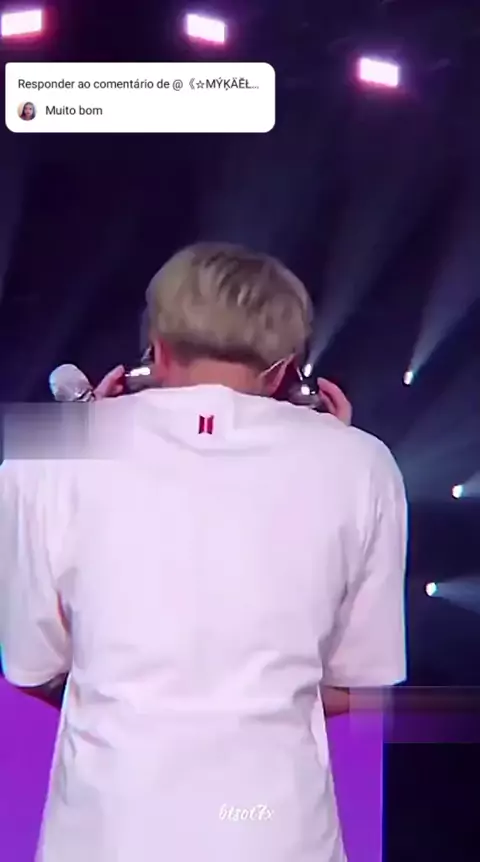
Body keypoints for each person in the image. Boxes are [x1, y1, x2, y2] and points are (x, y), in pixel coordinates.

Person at [0, 243, 406, 862]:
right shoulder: (364, 463)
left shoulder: (47, 454)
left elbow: (32, 665)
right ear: (283, 371)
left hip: (110, 834)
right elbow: (355, 681)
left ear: (156, 349)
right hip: (273, 834)